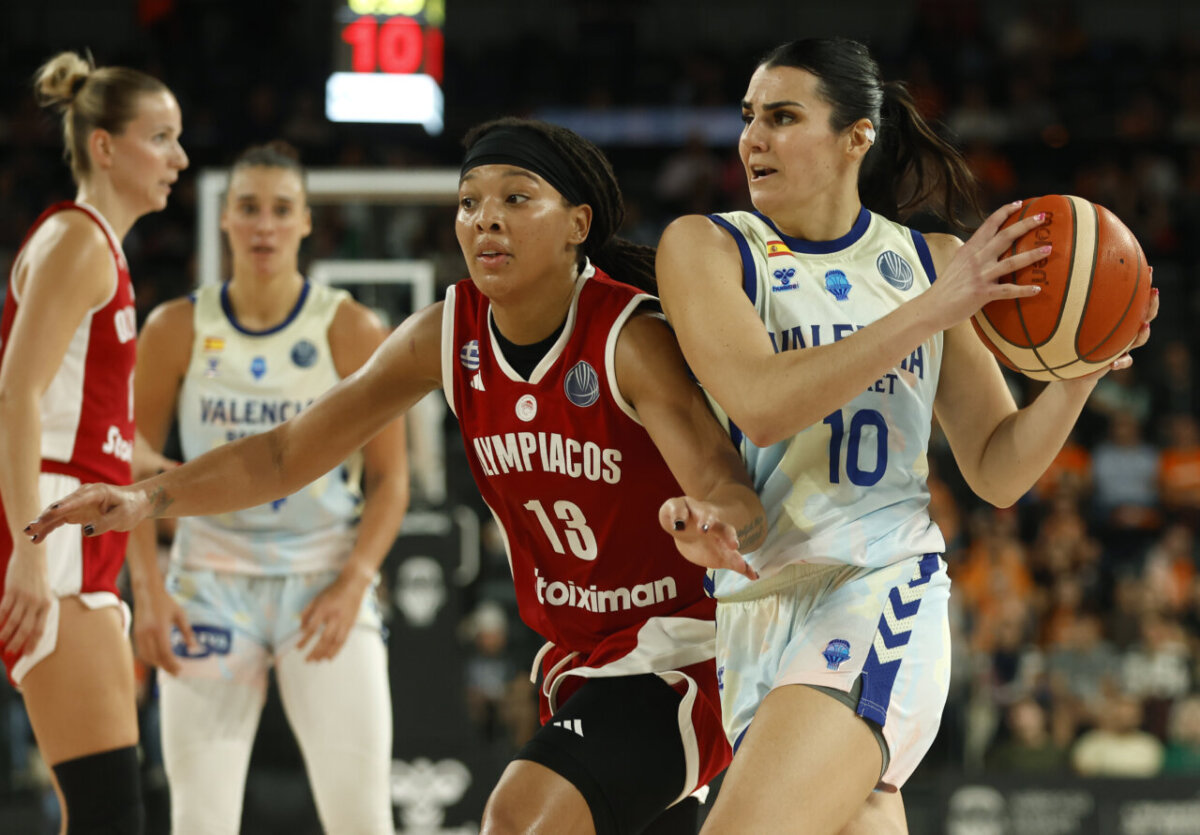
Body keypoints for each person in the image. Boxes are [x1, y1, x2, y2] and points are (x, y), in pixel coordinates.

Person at [27, 117, 767, 835]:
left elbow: (720, 475)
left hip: (680, 651)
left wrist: (719, 520)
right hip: (573, 662)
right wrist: (146, 496)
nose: (485, 221)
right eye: (470, 201)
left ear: (578, 223)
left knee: (518, 817)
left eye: (516, 198)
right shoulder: (445, 332)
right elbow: (287, 452)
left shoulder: (627, 337)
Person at [654, 37, 1157, 834]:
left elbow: (996, 469)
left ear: (858, 135)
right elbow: (760, 404)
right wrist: (933, 308)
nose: (754, 139)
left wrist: (1079, 371)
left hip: (879, 589)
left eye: (783, 118)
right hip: (755, 609)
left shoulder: (930, 263)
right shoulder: (708, 247)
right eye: (749, 118)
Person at [126, 141, 409, 834]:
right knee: (199, 820)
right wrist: (149, 591)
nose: (263, 226)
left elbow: (390, 477)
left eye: (281, 210)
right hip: (208, 585)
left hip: (322, 579)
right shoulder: (176, 327)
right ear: (223, 218)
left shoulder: (349, 326)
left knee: (363, 819)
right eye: (248, 209)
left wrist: (355, 580)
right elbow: (129, 466)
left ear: (307, 222)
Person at [0, 51, 187, 833]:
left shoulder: (98, 246)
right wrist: (31, 549)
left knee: (107, 807)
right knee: (110, 810)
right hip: (51, 523)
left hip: (76, 516)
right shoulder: (80, 241)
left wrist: (186, 477)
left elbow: (90, 426)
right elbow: (16, 393)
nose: (179, 158)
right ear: (105, 147)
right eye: (161, 138)